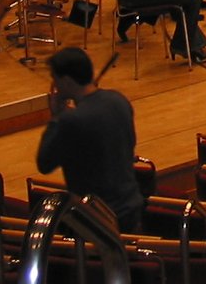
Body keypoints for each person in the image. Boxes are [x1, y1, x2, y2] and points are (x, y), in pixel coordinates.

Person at [35, 46, 142, 233]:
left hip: (96, 218)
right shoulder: (119, 100)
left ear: (66, 81)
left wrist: (55, 117)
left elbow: (44, 163)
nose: (53, 85)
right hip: (131, 207)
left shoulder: (71, 120)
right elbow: (130, 143)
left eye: (54, 78)